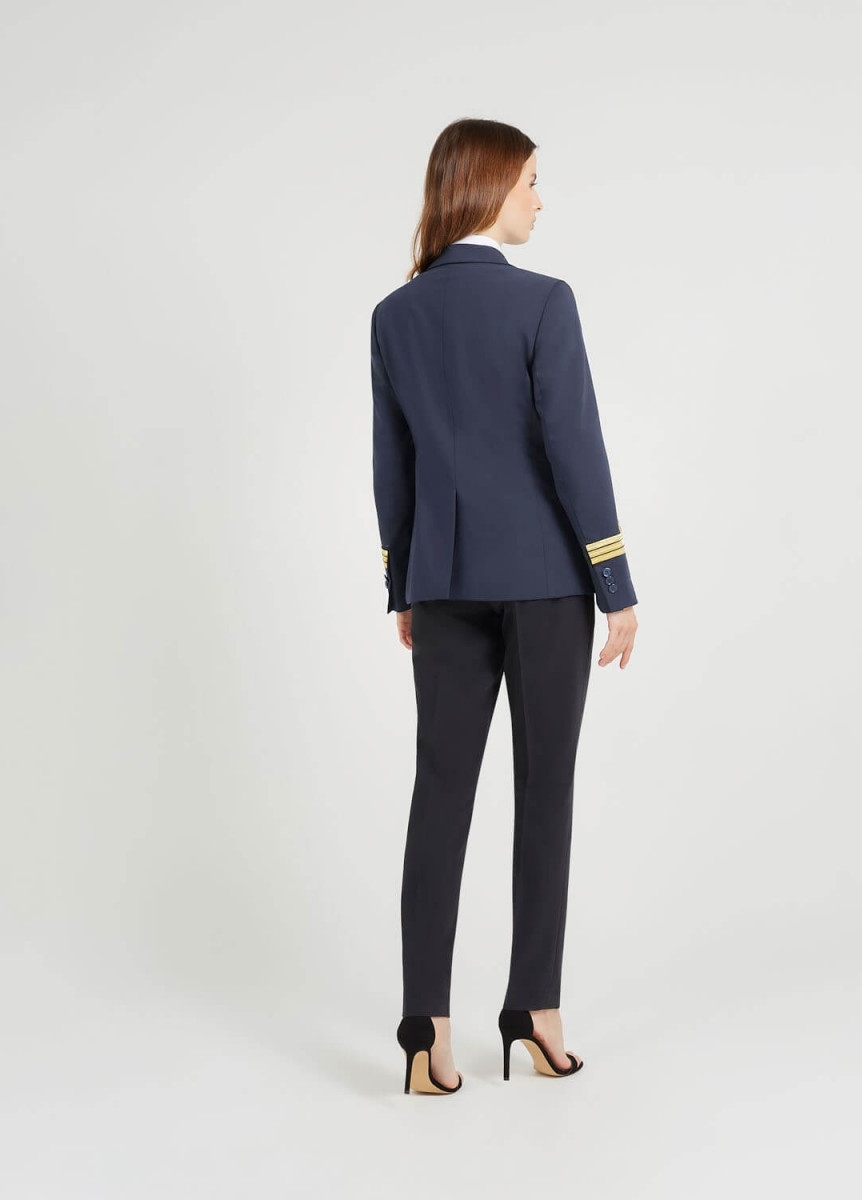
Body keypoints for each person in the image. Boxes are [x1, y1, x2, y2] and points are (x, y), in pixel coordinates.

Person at [372, 118, 640, 1095]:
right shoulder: (543, 302)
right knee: (544, 792)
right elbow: (575, 448)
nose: (539, 198)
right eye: (530, 180)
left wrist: (403, 585)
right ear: (488, 187)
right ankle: (533, 1008)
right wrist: (616, 584)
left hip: (441, 583)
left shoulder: (395, 315)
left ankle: (424, 1029)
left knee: (438, 793)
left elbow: (392, 465)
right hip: (545, 582)